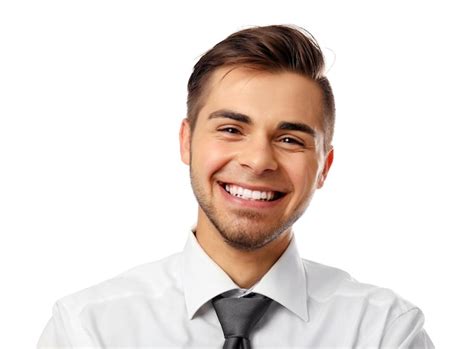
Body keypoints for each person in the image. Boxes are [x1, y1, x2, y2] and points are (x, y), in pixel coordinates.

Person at [37, 25, 434, 348]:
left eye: (290, 139)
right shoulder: (88, 330)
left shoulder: (384, 332)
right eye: (231, 129)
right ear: (186, 142)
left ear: (323, 168)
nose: (258, 161)